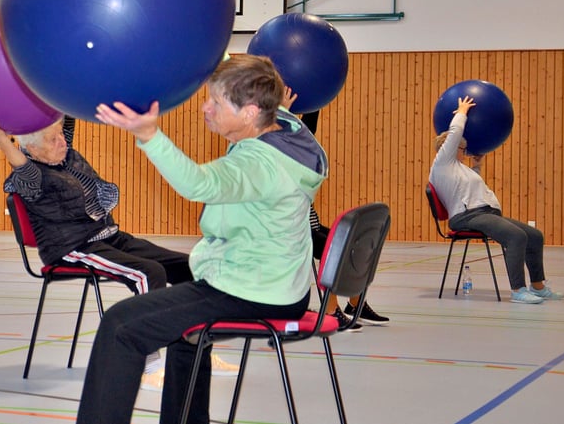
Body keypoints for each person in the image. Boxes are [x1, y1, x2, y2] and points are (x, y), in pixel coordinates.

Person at [83, 54, 327, 424]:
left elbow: (199, 184)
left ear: (249, 113)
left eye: (216, 102)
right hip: (280, 285)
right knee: (184, 334)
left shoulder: (258, 164)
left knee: (121, 326)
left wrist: (149, 135)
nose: (205, 107)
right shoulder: (291, 135)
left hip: (251, 289)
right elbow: (274, 107)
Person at [0, 113, 236, 386]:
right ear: (33, 149)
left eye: (61, 136)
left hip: (108, 236)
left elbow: (68, 117)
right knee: (148, 273)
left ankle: (197, 351)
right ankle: (148, 363)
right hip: (72, 246)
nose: (62, 142)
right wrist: (1, 139)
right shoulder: (33, 178)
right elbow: (21, 166)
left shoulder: (65, 155)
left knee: (190, 267)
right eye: (53, 139)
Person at [429, 96, 564, 304]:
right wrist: (462, 112)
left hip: (484, 213)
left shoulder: (458, 170)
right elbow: (454, 134)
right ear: (449, 148)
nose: (464, 152)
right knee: (516, 237)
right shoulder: (441, 164)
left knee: (534, 235)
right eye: (462, 149)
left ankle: (537, 287)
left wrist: (476, 166)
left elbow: (468, 189)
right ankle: (518, 291)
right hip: (467, 217)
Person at [300, 110, 389, 329]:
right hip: (292, 231)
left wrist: (316, 102)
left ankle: (355, 303)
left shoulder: (299, 153)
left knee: (353, 243)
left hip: (309, 225)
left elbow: (308, 131)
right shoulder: (279, 155)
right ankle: (330, 311)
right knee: (333, 252)